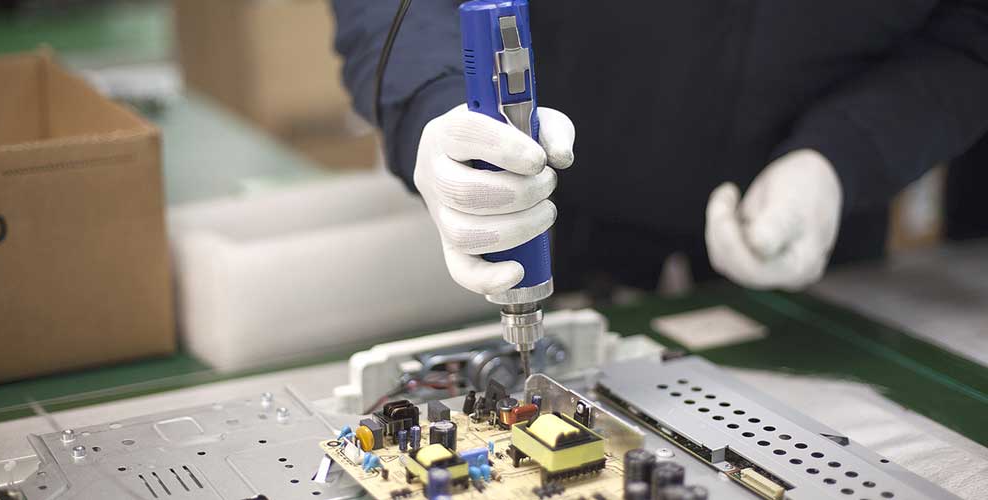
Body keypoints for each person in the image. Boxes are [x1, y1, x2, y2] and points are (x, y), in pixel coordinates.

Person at [332, 1, 988, 296]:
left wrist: (842, 158)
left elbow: (969, 33)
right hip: (558, 221)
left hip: (811, 255)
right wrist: (433, 104)